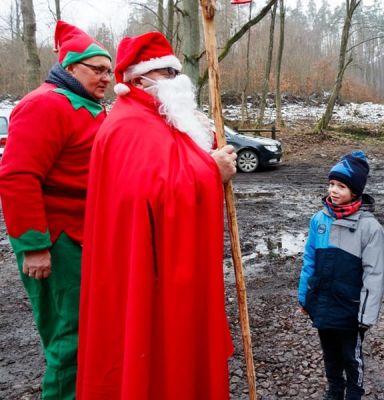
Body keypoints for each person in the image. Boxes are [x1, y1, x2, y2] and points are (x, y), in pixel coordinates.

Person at [76, 32, 236, 399]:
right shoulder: (128, 126)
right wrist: (211, 172)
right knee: (153, 359)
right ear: (138, 79)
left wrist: (206, 158)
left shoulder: (159, 119)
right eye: (167, 73)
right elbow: (148, 197)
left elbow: (173, 165)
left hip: (167, 272)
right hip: (147, 276)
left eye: (176, 72)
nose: (177, 80)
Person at [0, 21, 112, 399]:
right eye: (98, 69)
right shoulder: (45, 105)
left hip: (83, 238)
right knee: (69, 338)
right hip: (57, 240)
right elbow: (18, 177)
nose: (107, 77)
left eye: (109, 71)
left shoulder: (91, 108)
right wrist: (34, 245)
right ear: (71, 67)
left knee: (89, 333)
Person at [298, 151, 384, 400]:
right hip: (323, 303)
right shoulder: (319, 220)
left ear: (355, 191)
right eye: (331, 184)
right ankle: (335, 390)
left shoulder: (370, 228)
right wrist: (305, 297)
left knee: (351, 356)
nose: (333, 191)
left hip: (350, 309)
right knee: (330, 353)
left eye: (341, 186)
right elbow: (309, 260)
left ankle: (354, 394)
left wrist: (366, 316)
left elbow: (375, 274)